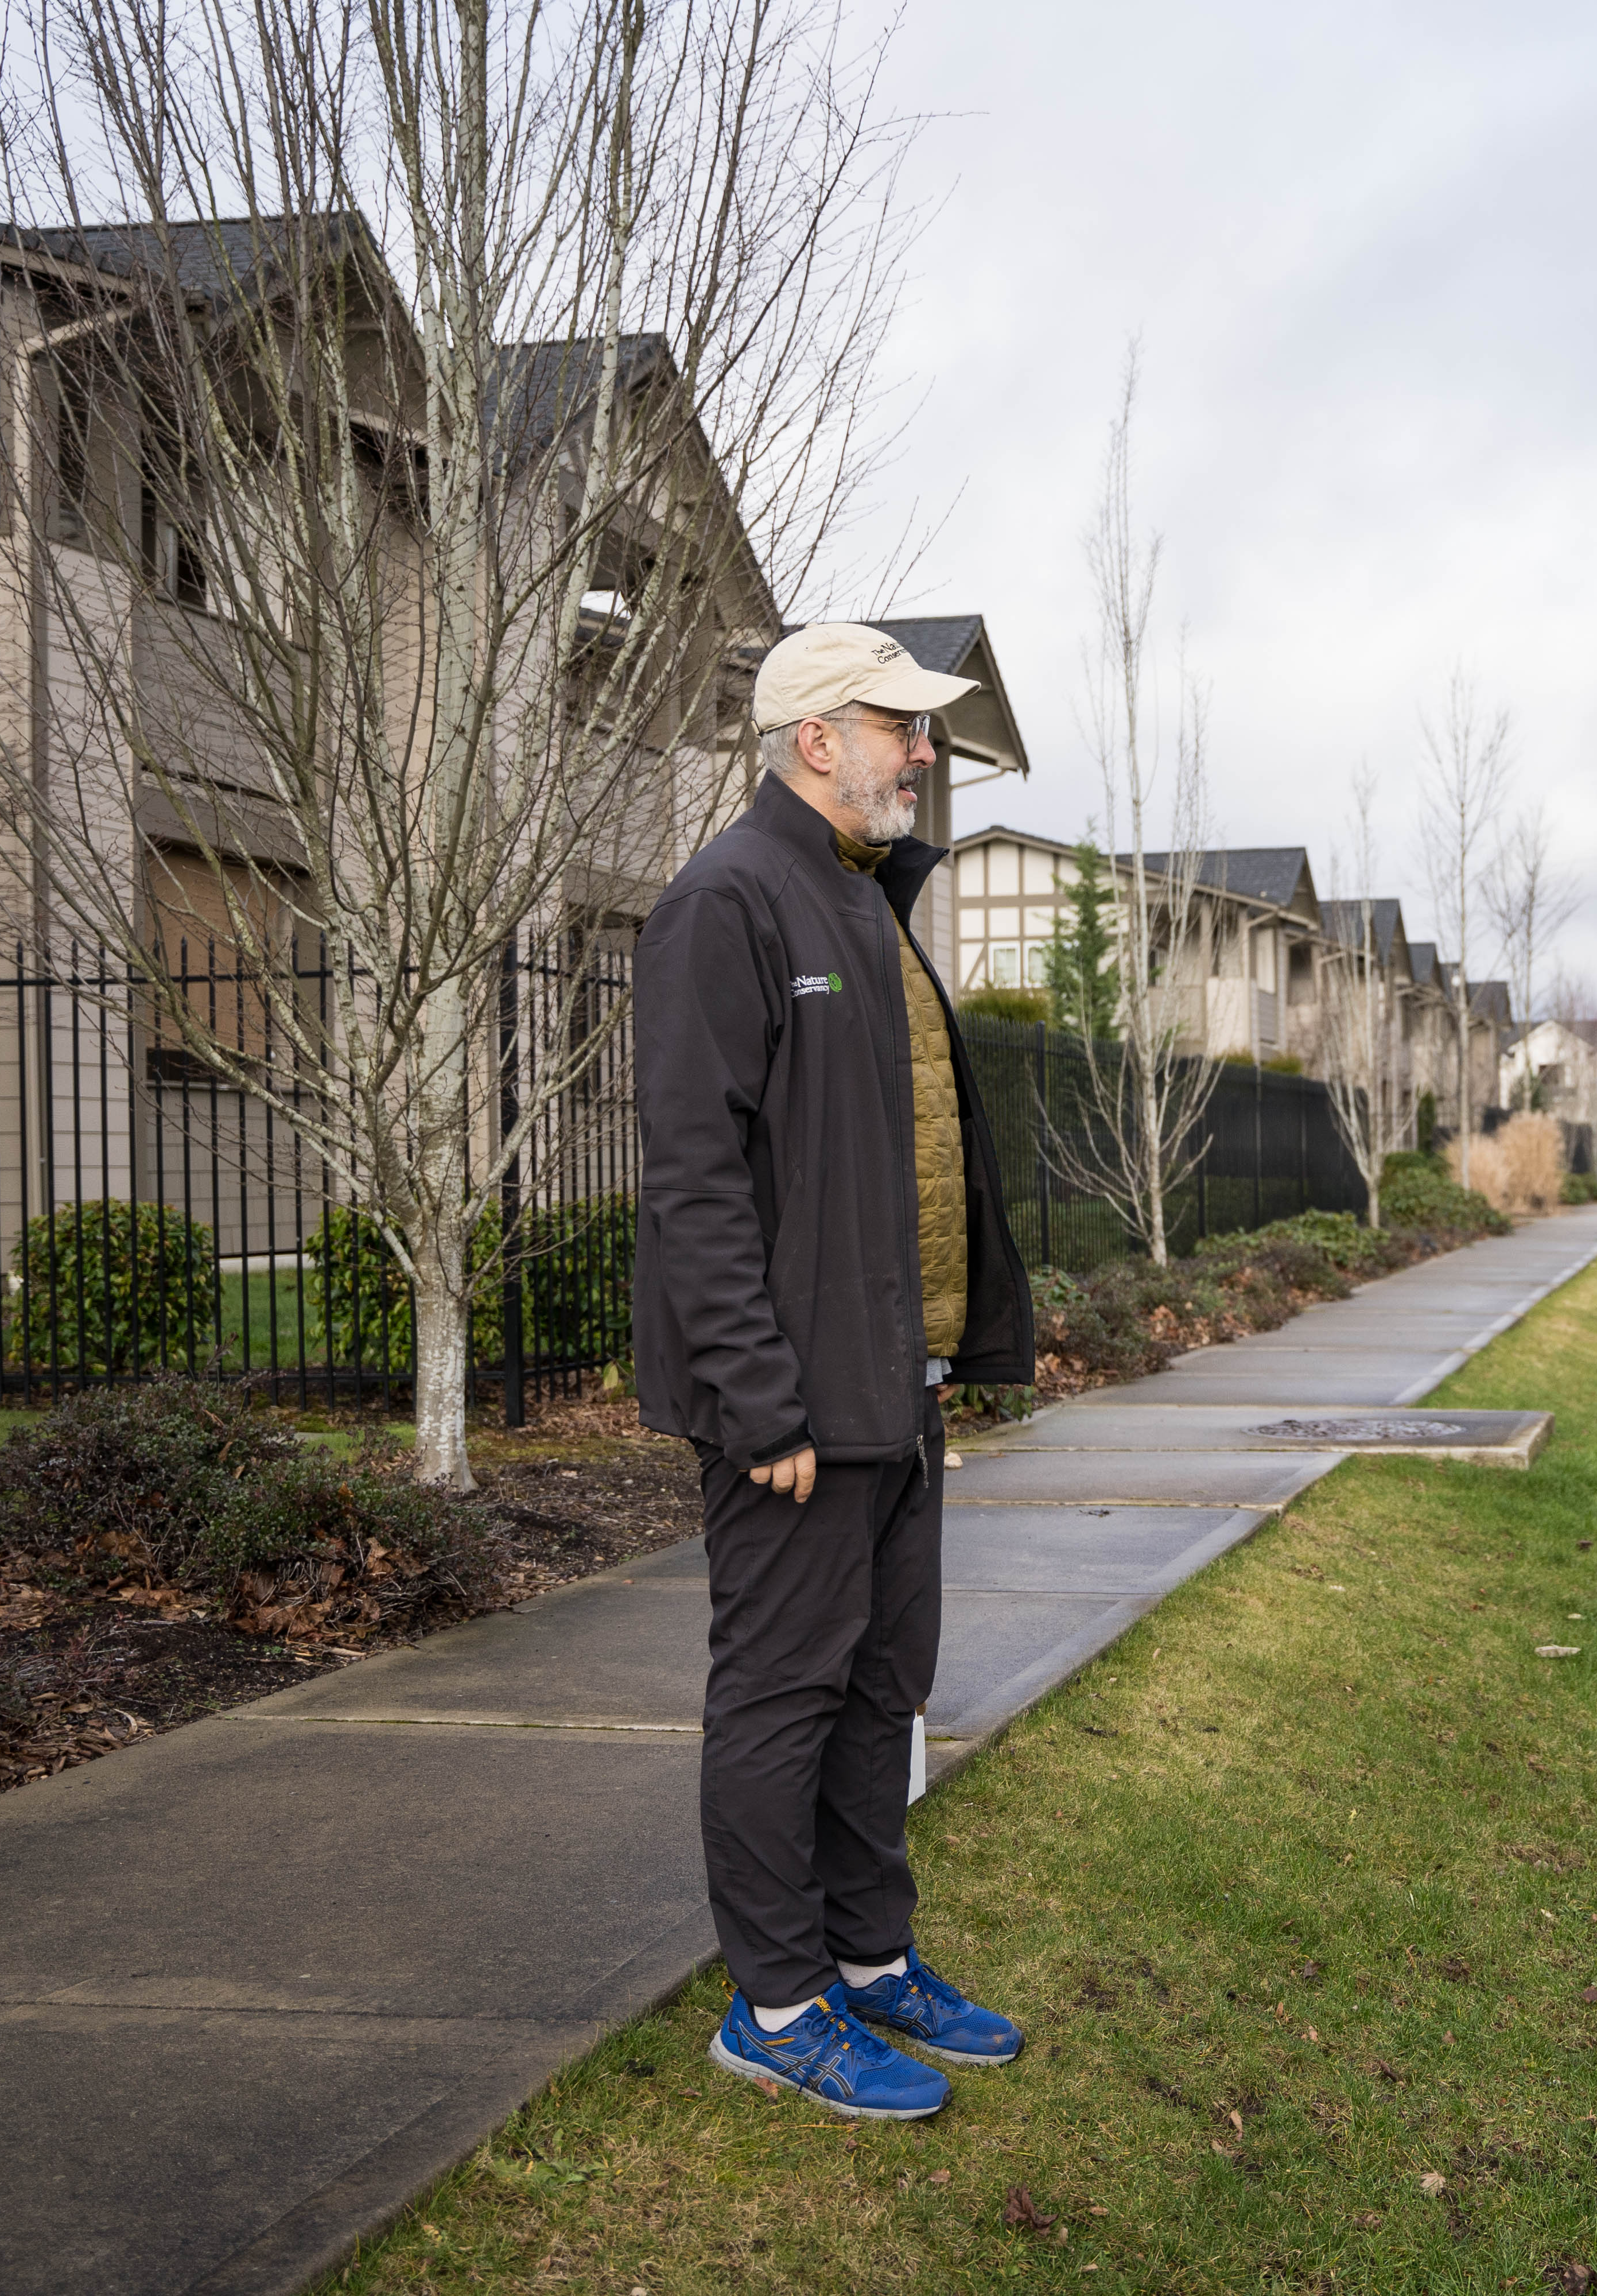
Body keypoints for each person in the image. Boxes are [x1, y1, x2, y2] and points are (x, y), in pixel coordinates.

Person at [635, 620, 1039, 2119]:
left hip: (897, 1382)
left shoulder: (869, 906)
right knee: (784, 1692)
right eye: (901, 728)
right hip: (794, 1405)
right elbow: (693, 1181)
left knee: (882, 1689)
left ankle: (871, 1962)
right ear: (817, 738)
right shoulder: (727, 905)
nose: (925, 754)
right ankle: (779, 2005)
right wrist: (757, 1397)